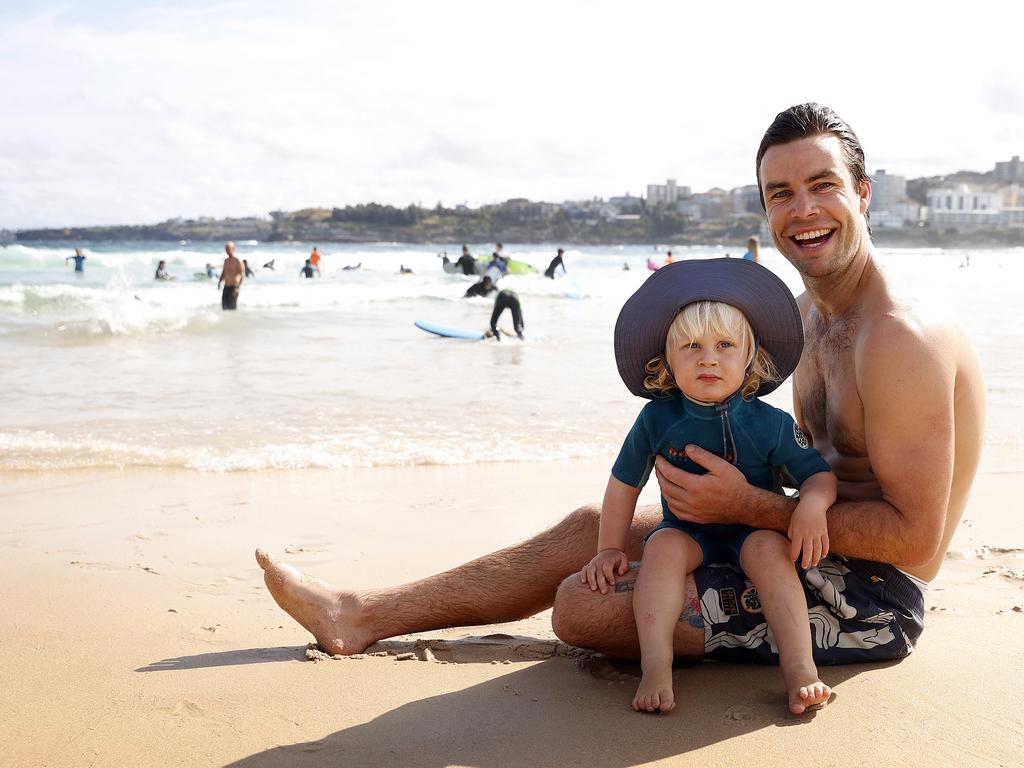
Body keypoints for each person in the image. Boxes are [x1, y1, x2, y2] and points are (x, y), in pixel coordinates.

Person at [255, 103, 984, 697]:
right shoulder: (803, 316)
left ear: (863, 191)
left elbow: (916, 542)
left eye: (823, 185)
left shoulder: (897, 339)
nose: (803, 210)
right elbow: (784, 458)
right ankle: (357, 615)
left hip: (873, 601)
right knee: (586, 533)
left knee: (580, 607)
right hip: (788, 544)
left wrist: (748, 507)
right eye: (780, 193)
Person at [584, 259, 835, 714]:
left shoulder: (770, 423)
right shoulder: (657, 419)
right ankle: (655, 664)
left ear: (750, 356)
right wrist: (608, 547)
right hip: (689, 533)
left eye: (725, 345)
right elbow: (624, 484)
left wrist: (812, 505)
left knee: (769, 550)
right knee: (661, 548)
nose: (708, 357)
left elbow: (817, 474)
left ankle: (801, 671)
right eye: (691, 346)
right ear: (666, 360)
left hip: (751, 531)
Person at [217, 241, 244, 310]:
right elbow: (224, 272)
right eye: (226, 248)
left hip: (234, 287)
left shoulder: (237, 261)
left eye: (228, 248)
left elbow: (242, 275)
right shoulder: (226, 260)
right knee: (224, 307)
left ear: (233, 249)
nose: (227, 250)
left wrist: (237, 288)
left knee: (232, 307)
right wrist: (219, 282)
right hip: (226, 286)